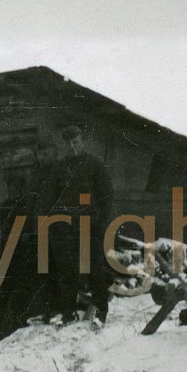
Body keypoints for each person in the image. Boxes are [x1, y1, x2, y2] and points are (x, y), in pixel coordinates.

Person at [42, 125, 115, 325]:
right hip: (65, 228)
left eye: (76, 142)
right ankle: (69, 312)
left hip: (90, 226)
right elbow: (50, 197)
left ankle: (101, 310)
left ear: (82, 141)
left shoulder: (94, 164)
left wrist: (101, 224)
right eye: (68, 144)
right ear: (64, 145)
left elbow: (107, 197)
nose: (72, 147)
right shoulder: (59, 167)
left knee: (94, 269)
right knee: (67, 271)